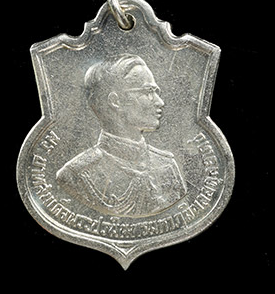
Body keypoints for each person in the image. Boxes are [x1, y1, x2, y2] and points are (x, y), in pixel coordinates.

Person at [56, 54, 187, 217]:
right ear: (115, 101)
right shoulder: (76, 174)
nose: (160, 102)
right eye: (148, 92)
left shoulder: (166, 165)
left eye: (156, 92)